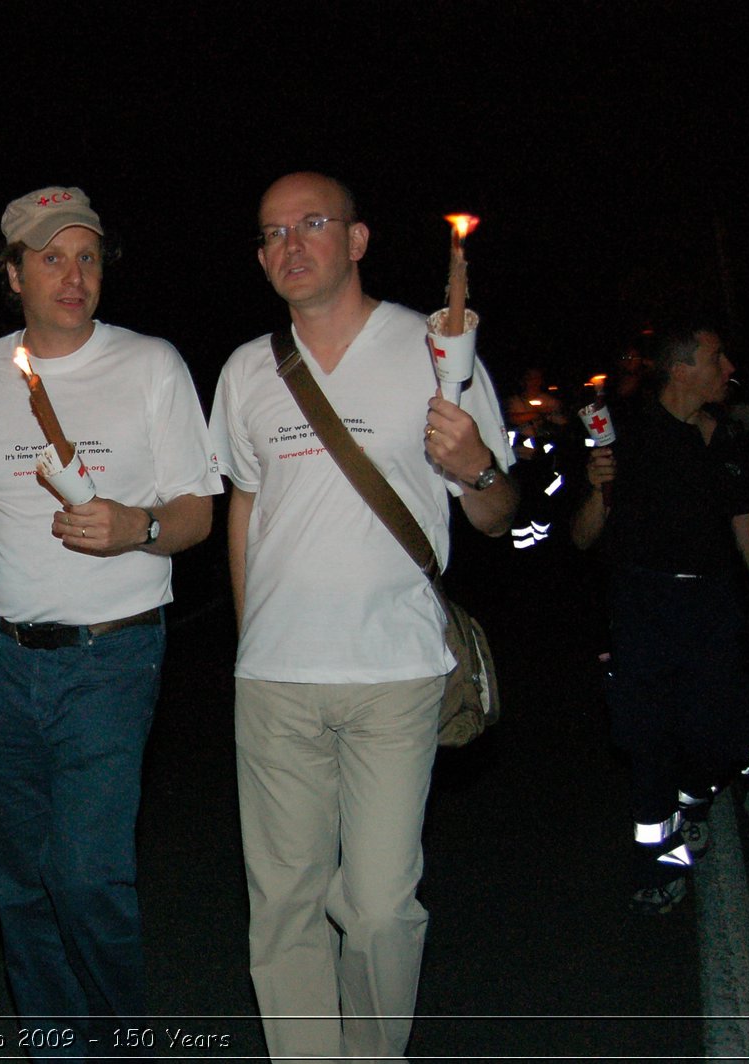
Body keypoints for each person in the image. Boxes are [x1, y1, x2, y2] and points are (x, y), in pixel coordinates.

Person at [209, 172, 517, 1062]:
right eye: (270, 233)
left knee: (381, 906)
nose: (289, 245)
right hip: (275, 679)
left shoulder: (434, 349)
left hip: (395, 672)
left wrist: (477, 468)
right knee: (286, 907)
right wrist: (247, 640)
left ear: (357, 240)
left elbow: (496, 517)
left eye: (311, 224)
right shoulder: (246, 371)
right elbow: (245, 506)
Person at [0, 186, 221, 1046]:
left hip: (112, 660)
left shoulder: (152, 365)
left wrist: (136, 526)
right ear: (13, 274)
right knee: (19, 882)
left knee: (86, 875)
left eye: (86, 256)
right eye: (51, 258)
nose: (74, 275)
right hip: (0, 662)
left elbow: (199, 510)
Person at [570, 324, 749, 913]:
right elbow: (584, 537)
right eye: (717, 358)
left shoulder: (729, 439)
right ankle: (658, 863)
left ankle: (693, 800)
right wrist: (596, 491)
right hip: (643, 609)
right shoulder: (628, 437)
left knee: (721, 733)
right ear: (682, 370)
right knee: (648, 739)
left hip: (714, 610)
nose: (729, 366)